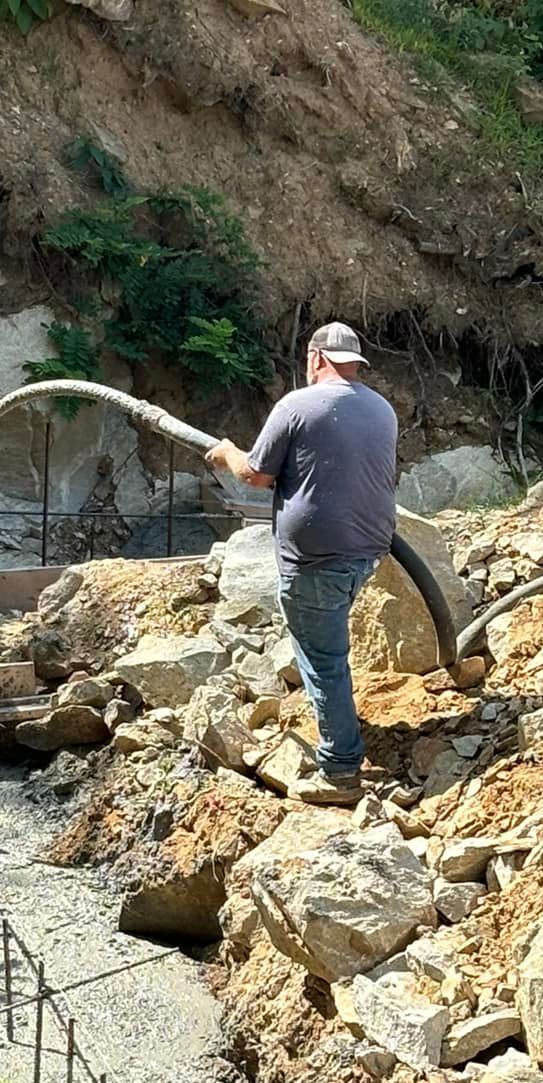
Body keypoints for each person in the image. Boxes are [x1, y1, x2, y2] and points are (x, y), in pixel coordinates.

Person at [205, 322, 397, 802]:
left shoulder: (296, 405)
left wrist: (228, 451)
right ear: (355, 364)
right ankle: (342, 730)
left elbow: (255, 474)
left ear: (315, 358)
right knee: (327, 645)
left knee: (324, 660)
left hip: (315, 561)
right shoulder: (382, 409)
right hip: (366, 552)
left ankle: (340, 769)